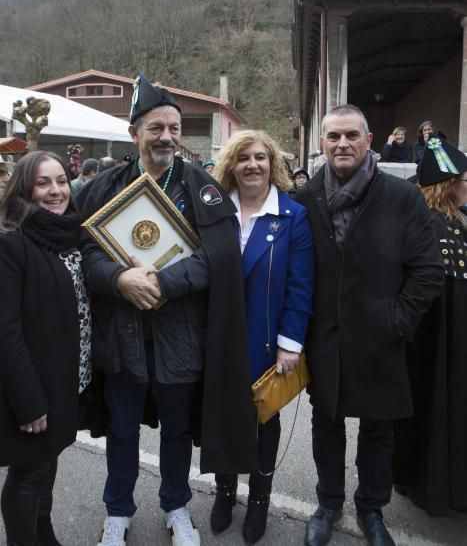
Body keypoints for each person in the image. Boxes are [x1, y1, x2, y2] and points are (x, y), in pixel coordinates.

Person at [76, 73, 257, 546]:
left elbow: (220, 256)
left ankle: (176, 506)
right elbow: (84, 254)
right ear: (134, 132)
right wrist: (119, 280)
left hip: (179, 339)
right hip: (122, 337)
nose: (167, 137)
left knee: (176, 432)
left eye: (174, 128)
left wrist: (164, 282)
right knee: (121, 432)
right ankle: (118, 511)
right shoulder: (104, 185)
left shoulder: (202, 187)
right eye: (156, 128)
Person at [295, 104, 444, 546]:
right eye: (333, 137)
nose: (342, 144)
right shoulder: (305, 200)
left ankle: (371, 508)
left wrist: (397, 321)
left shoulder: (401, 197)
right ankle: (328, 502)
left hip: (382, 338)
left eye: (351, 136)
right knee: (326, 424)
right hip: (325, 339)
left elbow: (428, 270)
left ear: (369, 140)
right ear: (321, 144)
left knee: (379, 430)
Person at [210, 130, 314, 544]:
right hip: (218, 338)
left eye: (260, 157)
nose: (252, 165)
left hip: (267, 341)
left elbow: (301, 285)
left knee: (262, 423)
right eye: (242, 158)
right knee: (222, 418)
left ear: (274, 164)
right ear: (231, 167)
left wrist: (291, 342)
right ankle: (224, 492)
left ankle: (259, 501)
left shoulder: (292, 216)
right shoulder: (216, 213)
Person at [0, 151, 91, 546]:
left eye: (61, 181)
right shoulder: (12, 241)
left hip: (65, 375)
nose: (56, 191)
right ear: (24, 188)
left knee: (47, 460)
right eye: (43, 183)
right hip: (33, 384)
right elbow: (5, 329)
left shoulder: (68, 233)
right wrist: (29, 401)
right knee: (28, 471)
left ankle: (43, 529)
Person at [393, 136, 467, 515]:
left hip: (453, 339)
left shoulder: (458, 221)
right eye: (464, 179)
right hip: (428, 340)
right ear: (449, 183)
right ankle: (421, 482)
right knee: (427, 408)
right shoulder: (423, 224)